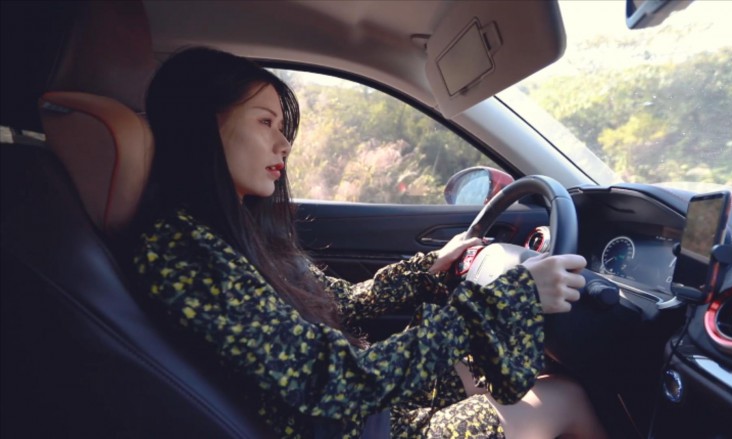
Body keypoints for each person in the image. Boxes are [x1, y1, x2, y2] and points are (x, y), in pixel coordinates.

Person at [132, 46, 607, 439]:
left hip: (357, 416)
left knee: (507, 375)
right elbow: (335, 382)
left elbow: (339, 303)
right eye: (265, 122)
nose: (284, 144)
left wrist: (426, 268)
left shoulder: (234, 232)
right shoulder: (183, 250)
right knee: (564, 398)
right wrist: (506, 299)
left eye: (282, 127)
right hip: (354, 422)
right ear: (202, 123)